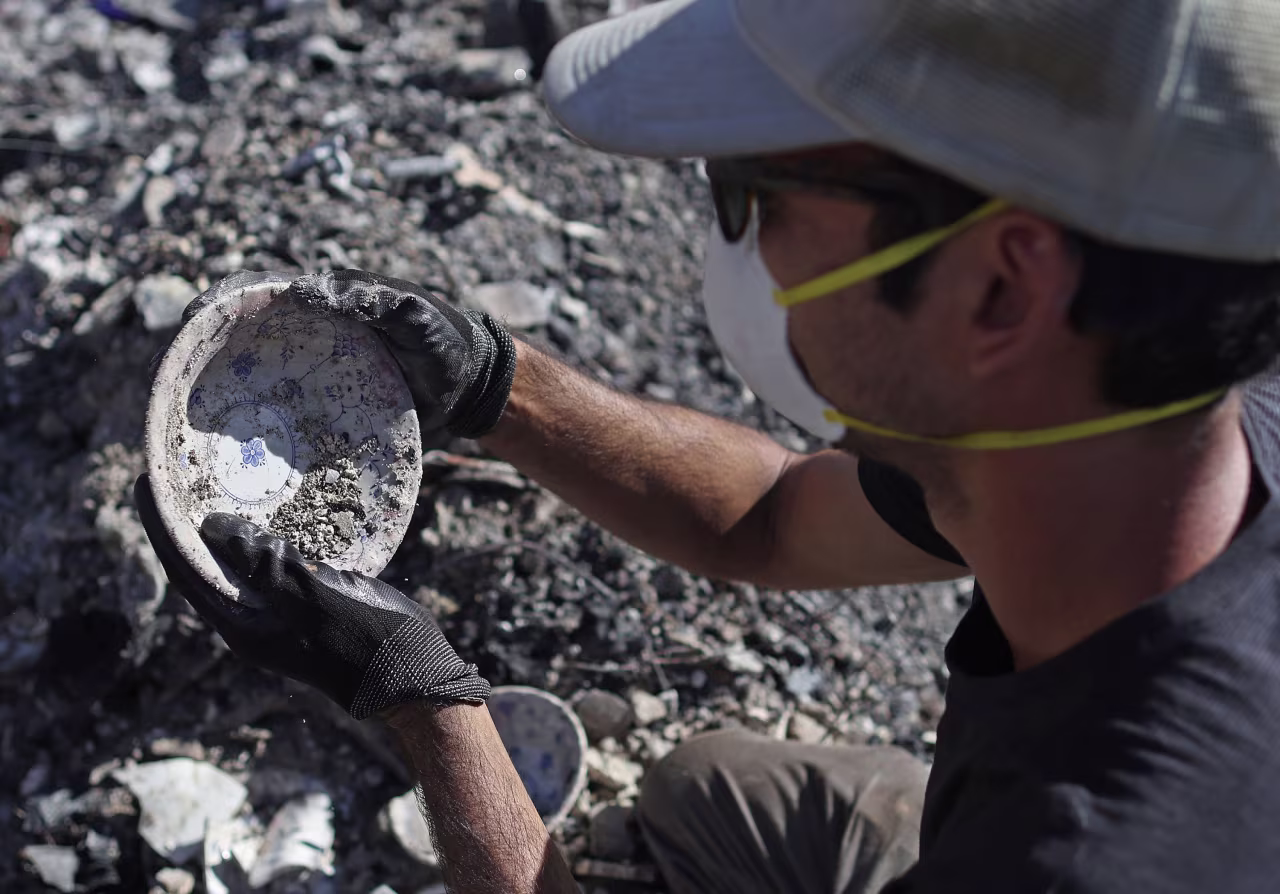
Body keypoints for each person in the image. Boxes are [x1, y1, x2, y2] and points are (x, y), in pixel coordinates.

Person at [134, 0, 1280, 891]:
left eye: (752, 192)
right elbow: (775, 517)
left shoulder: (1098, 859)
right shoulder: (1110, 440)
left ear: (998, 286)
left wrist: (424, 706)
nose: (736, 243)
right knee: (710, 793)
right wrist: (498, 384)